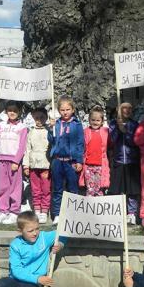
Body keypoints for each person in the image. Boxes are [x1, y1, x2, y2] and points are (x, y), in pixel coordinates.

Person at [0, 210, 65, 287]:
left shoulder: (44, 237)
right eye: (30, 231)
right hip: (17, 281)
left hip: (32, 285)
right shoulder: (15, 244)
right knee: (0, 285)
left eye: (37, 229)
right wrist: (37, 279)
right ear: (20, 230)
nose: (35, 233)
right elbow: (16, 271)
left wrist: (61, 245)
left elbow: (63, 233)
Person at [48, 96, 84, 225]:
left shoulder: (77, 125)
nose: (65, 112)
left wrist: (79, 160)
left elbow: (80, 143)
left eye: (68, 109)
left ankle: (73, 214)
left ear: (73, 109)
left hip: (71, 162)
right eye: (62, 110)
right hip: (58, 161)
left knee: (73, 189)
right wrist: (51, 129)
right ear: (58, 110)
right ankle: (57, 214)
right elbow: (51, 141)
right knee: (57, 189)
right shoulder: (56, 124)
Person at [0, 101, 28, 225]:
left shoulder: (22, 127)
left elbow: (22, 146)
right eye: (10, 110)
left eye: (15, 110)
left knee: (15, 187)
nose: (12, 113)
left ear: (19, 112)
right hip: (2, 158)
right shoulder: (1, 125)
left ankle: (14, 212)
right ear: (6, 111)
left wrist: (16, 161)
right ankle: (3, 210)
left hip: (14, 160)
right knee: (3, 186)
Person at [108, 102, 141, 225]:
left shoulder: (135, 124)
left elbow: (135, 142)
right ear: (118, 110)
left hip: (132, 161)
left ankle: (131, 213)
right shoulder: (113, 123)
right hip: (118, 161)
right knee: (117, 188)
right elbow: (111, 140)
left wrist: (125, 131)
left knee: (132, 190)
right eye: (124, 108)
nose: (127, 110)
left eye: (129, 108)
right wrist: (118, 128)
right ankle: (117, 212)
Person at [23, 107, 51, 224]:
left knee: (46, 189)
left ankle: (44, 211)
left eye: (42, 117)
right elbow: (27, 149)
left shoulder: (49, 132)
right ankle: (37, 210)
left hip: (46, 165)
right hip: (34, 165)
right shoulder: (31, 132)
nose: (39, 120)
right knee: (35, 189)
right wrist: (26, 165)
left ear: (46, 118)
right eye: (37, 118)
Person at [79, 106, 110, 197]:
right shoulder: (86, 132)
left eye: (97, 120)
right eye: (93, 120)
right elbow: (82, 146)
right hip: (88, 165)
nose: (95, 122)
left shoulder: (105, 132)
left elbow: (111, 144)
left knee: (100, 188)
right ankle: (90, 207)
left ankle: (99, 207)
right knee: (90, 188)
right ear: (89, 120)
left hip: (101, 165)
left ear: (102, 121)